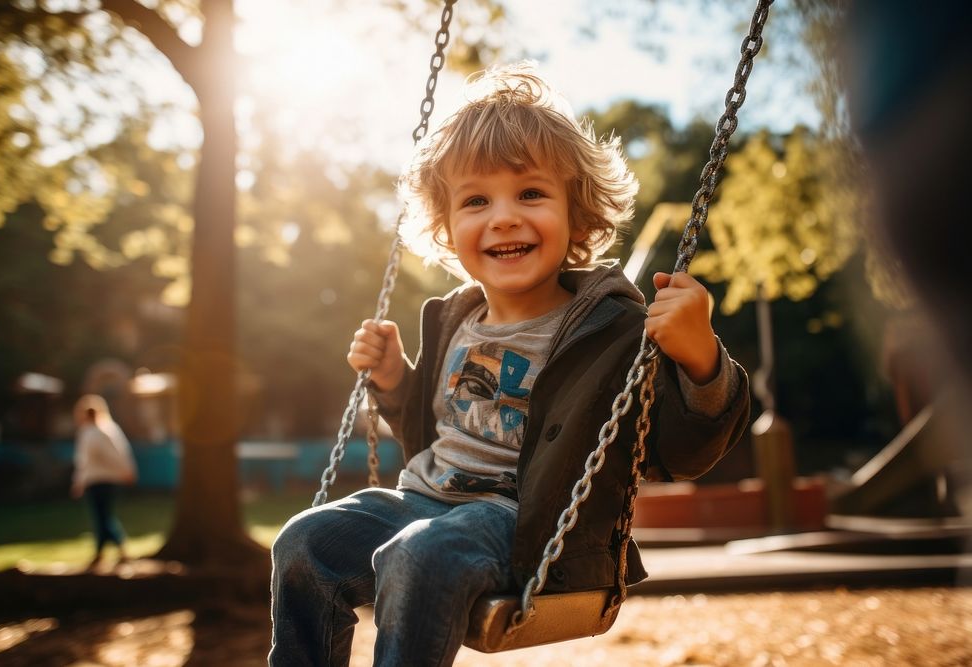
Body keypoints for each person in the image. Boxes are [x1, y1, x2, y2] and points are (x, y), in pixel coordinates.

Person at [269, 63, 750, 667]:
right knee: (304, 540)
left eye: (530, 193)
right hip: (424, 501)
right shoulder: (453, 322)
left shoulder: (613, 328)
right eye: (475, 200)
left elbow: (685, 452)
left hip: (523, 524)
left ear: (578, 213)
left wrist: (701, 354)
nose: (502, 216)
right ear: (446, 228)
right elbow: (435, 433)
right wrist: (395, 380)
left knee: (417, 554)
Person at [71, 394, 137, 570]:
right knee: (102, 516)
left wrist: (125, 470)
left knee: (103, 516)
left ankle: (115, 549)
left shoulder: (97, 432)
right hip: (99, 479)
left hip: (101, 480)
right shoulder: (102, 430)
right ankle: (106, 551)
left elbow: (88, 460)